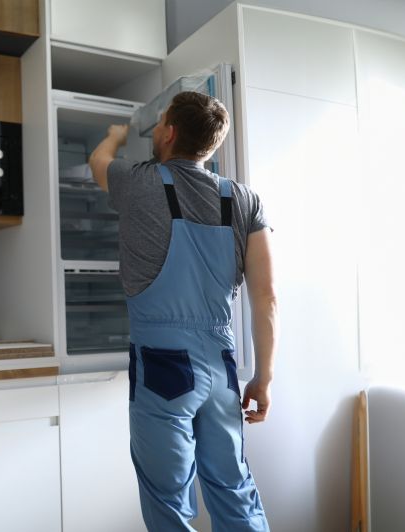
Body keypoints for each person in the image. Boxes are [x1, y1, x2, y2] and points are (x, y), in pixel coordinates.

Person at [88, 91, 276, 532]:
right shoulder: (244, 200)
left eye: (158, 124)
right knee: (233, 490)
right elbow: (266, 296)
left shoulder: (138, 181)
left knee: (168, 500)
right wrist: (263, 378)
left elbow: (97, 163)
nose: (154, 131)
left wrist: (115, 136)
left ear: (170, 132)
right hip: (221, 368)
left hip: (164, 367)